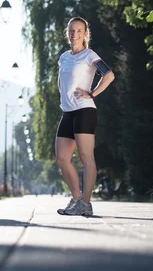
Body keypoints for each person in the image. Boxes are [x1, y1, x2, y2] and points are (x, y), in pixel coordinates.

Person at [55, 16, 115, 216]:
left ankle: (86, 203)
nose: (75, 34)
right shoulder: (64, 57)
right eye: (71, 30)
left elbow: (109, 75)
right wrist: (63, 98)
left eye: (79, 30)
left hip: (84, 110)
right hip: (68, 112)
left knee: (85, 157)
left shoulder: (89, 55)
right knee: (62, 158)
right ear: (67, 33)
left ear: (85, 34)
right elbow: (61, 81)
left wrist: (92, 93)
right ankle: (76, 198)